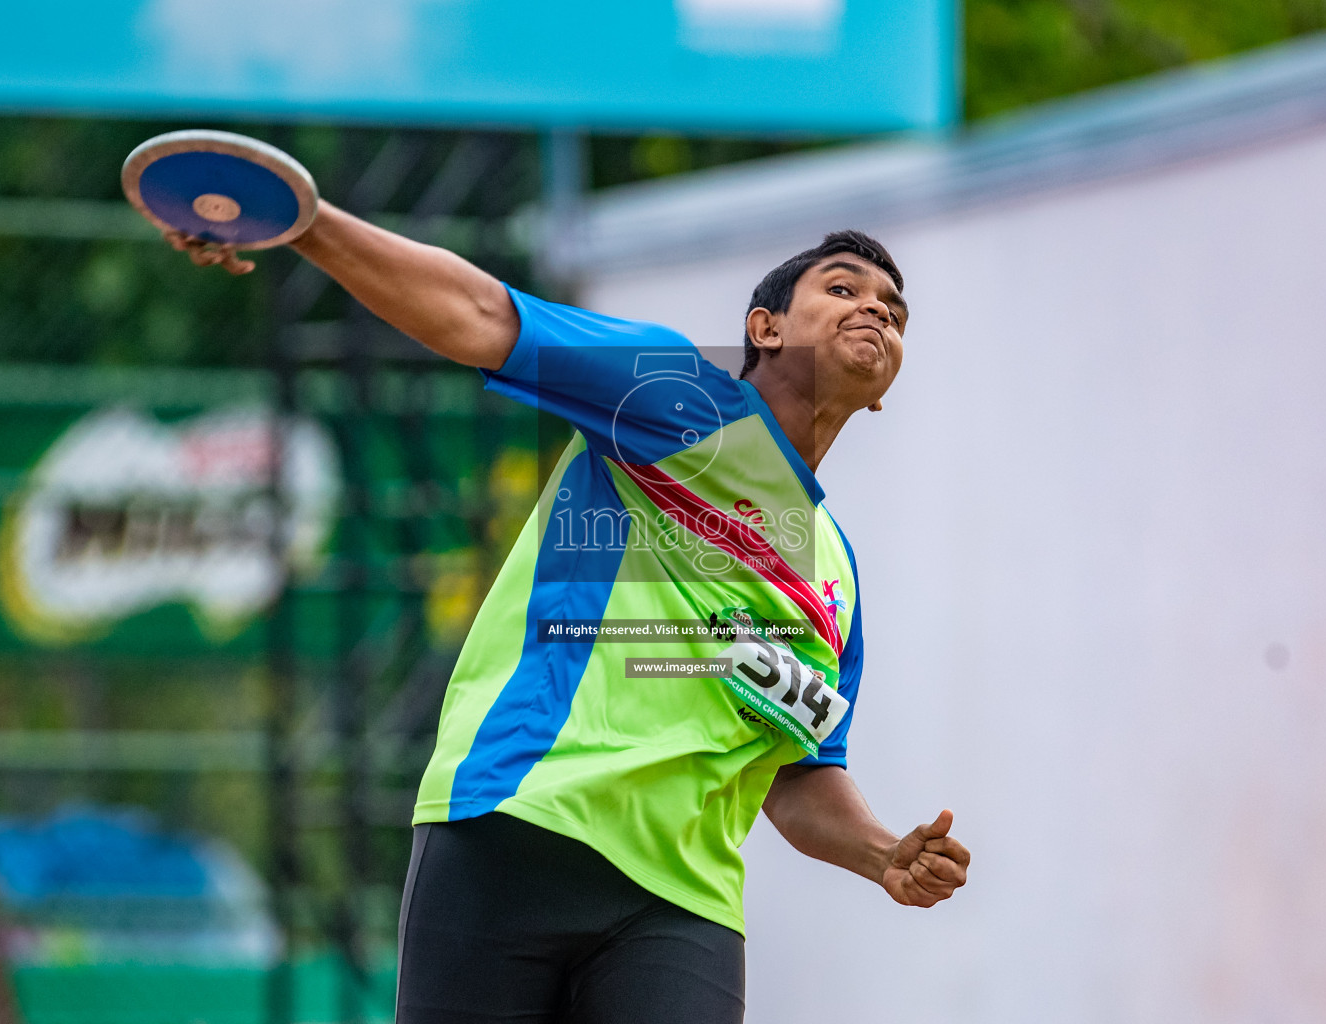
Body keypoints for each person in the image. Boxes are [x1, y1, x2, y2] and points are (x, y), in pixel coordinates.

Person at [175, 202, 969, 1023]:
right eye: (843, 288)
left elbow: (799, 774)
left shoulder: (834, 572)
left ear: (883, 391)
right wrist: (305, 226)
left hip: (680, 900)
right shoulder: (675, 397)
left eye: (895, 311)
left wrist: (882, 854)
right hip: (518, 825)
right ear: (764, 329)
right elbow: (484, 314)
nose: (875, 308)